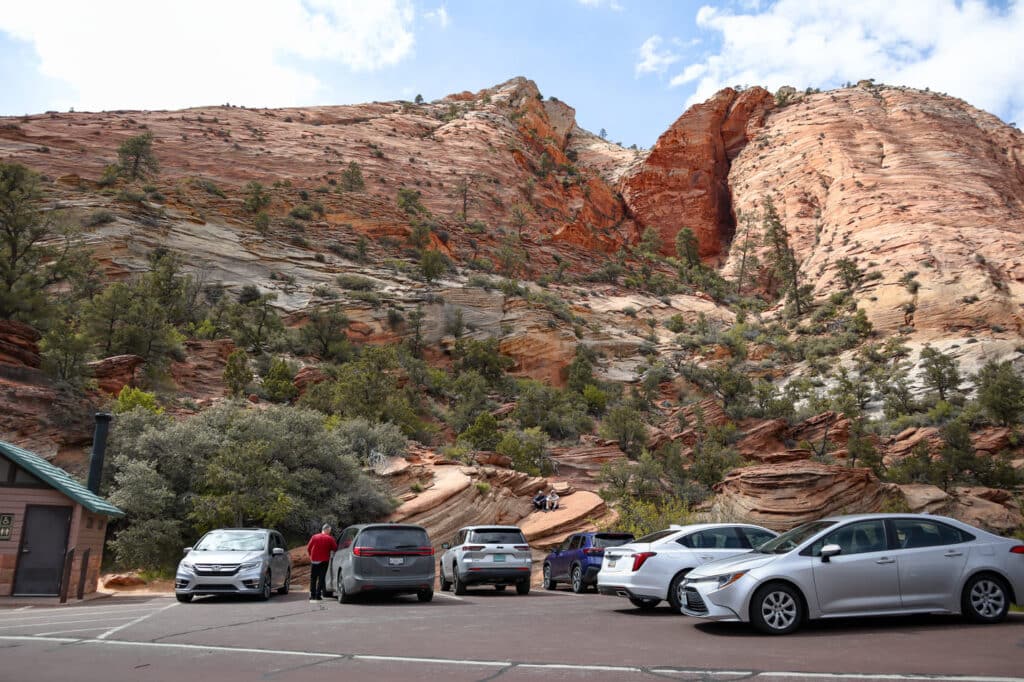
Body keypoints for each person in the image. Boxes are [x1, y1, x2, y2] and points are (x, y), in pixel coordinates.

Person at [307, 523, 337, 602]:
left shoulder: (314, 537)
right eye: (329, 530)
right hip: (324, 560)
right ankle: (318, 595)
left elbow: (309, 548)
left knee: (313, 578)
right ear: (326, 530)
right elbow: (335, 548)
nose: (329, 532)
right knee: (321, 578)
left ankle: (312, 595)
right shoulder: (330, 538)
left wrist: (311, 556)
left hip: (314, 560)